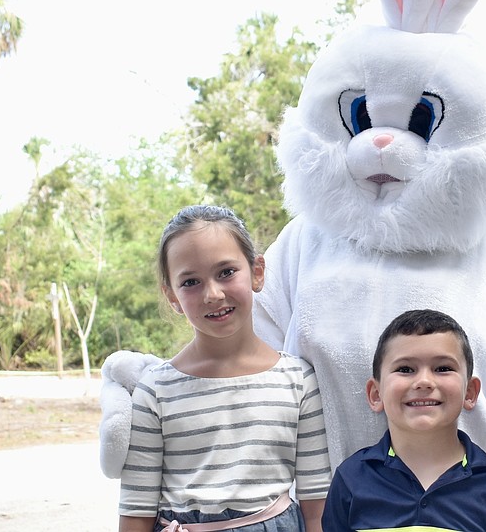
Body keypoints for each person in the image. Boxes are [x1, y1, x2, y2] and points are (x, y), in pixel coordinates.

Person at [118, 205, 331, 532]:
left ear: (257, 271)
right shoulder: (154, 390)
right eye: (191, 281)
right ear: (172, 296)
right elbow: (135, 513)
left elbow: (317, 508)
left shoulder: (299, 381)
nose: (213, 294)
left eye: (226, 272)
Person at [322, 309, 486, 532]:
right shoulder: (351, 478)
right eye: (405, 369)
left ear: (470, 392)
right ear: (376, 394)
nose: (424, 381)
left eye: (443, 368)